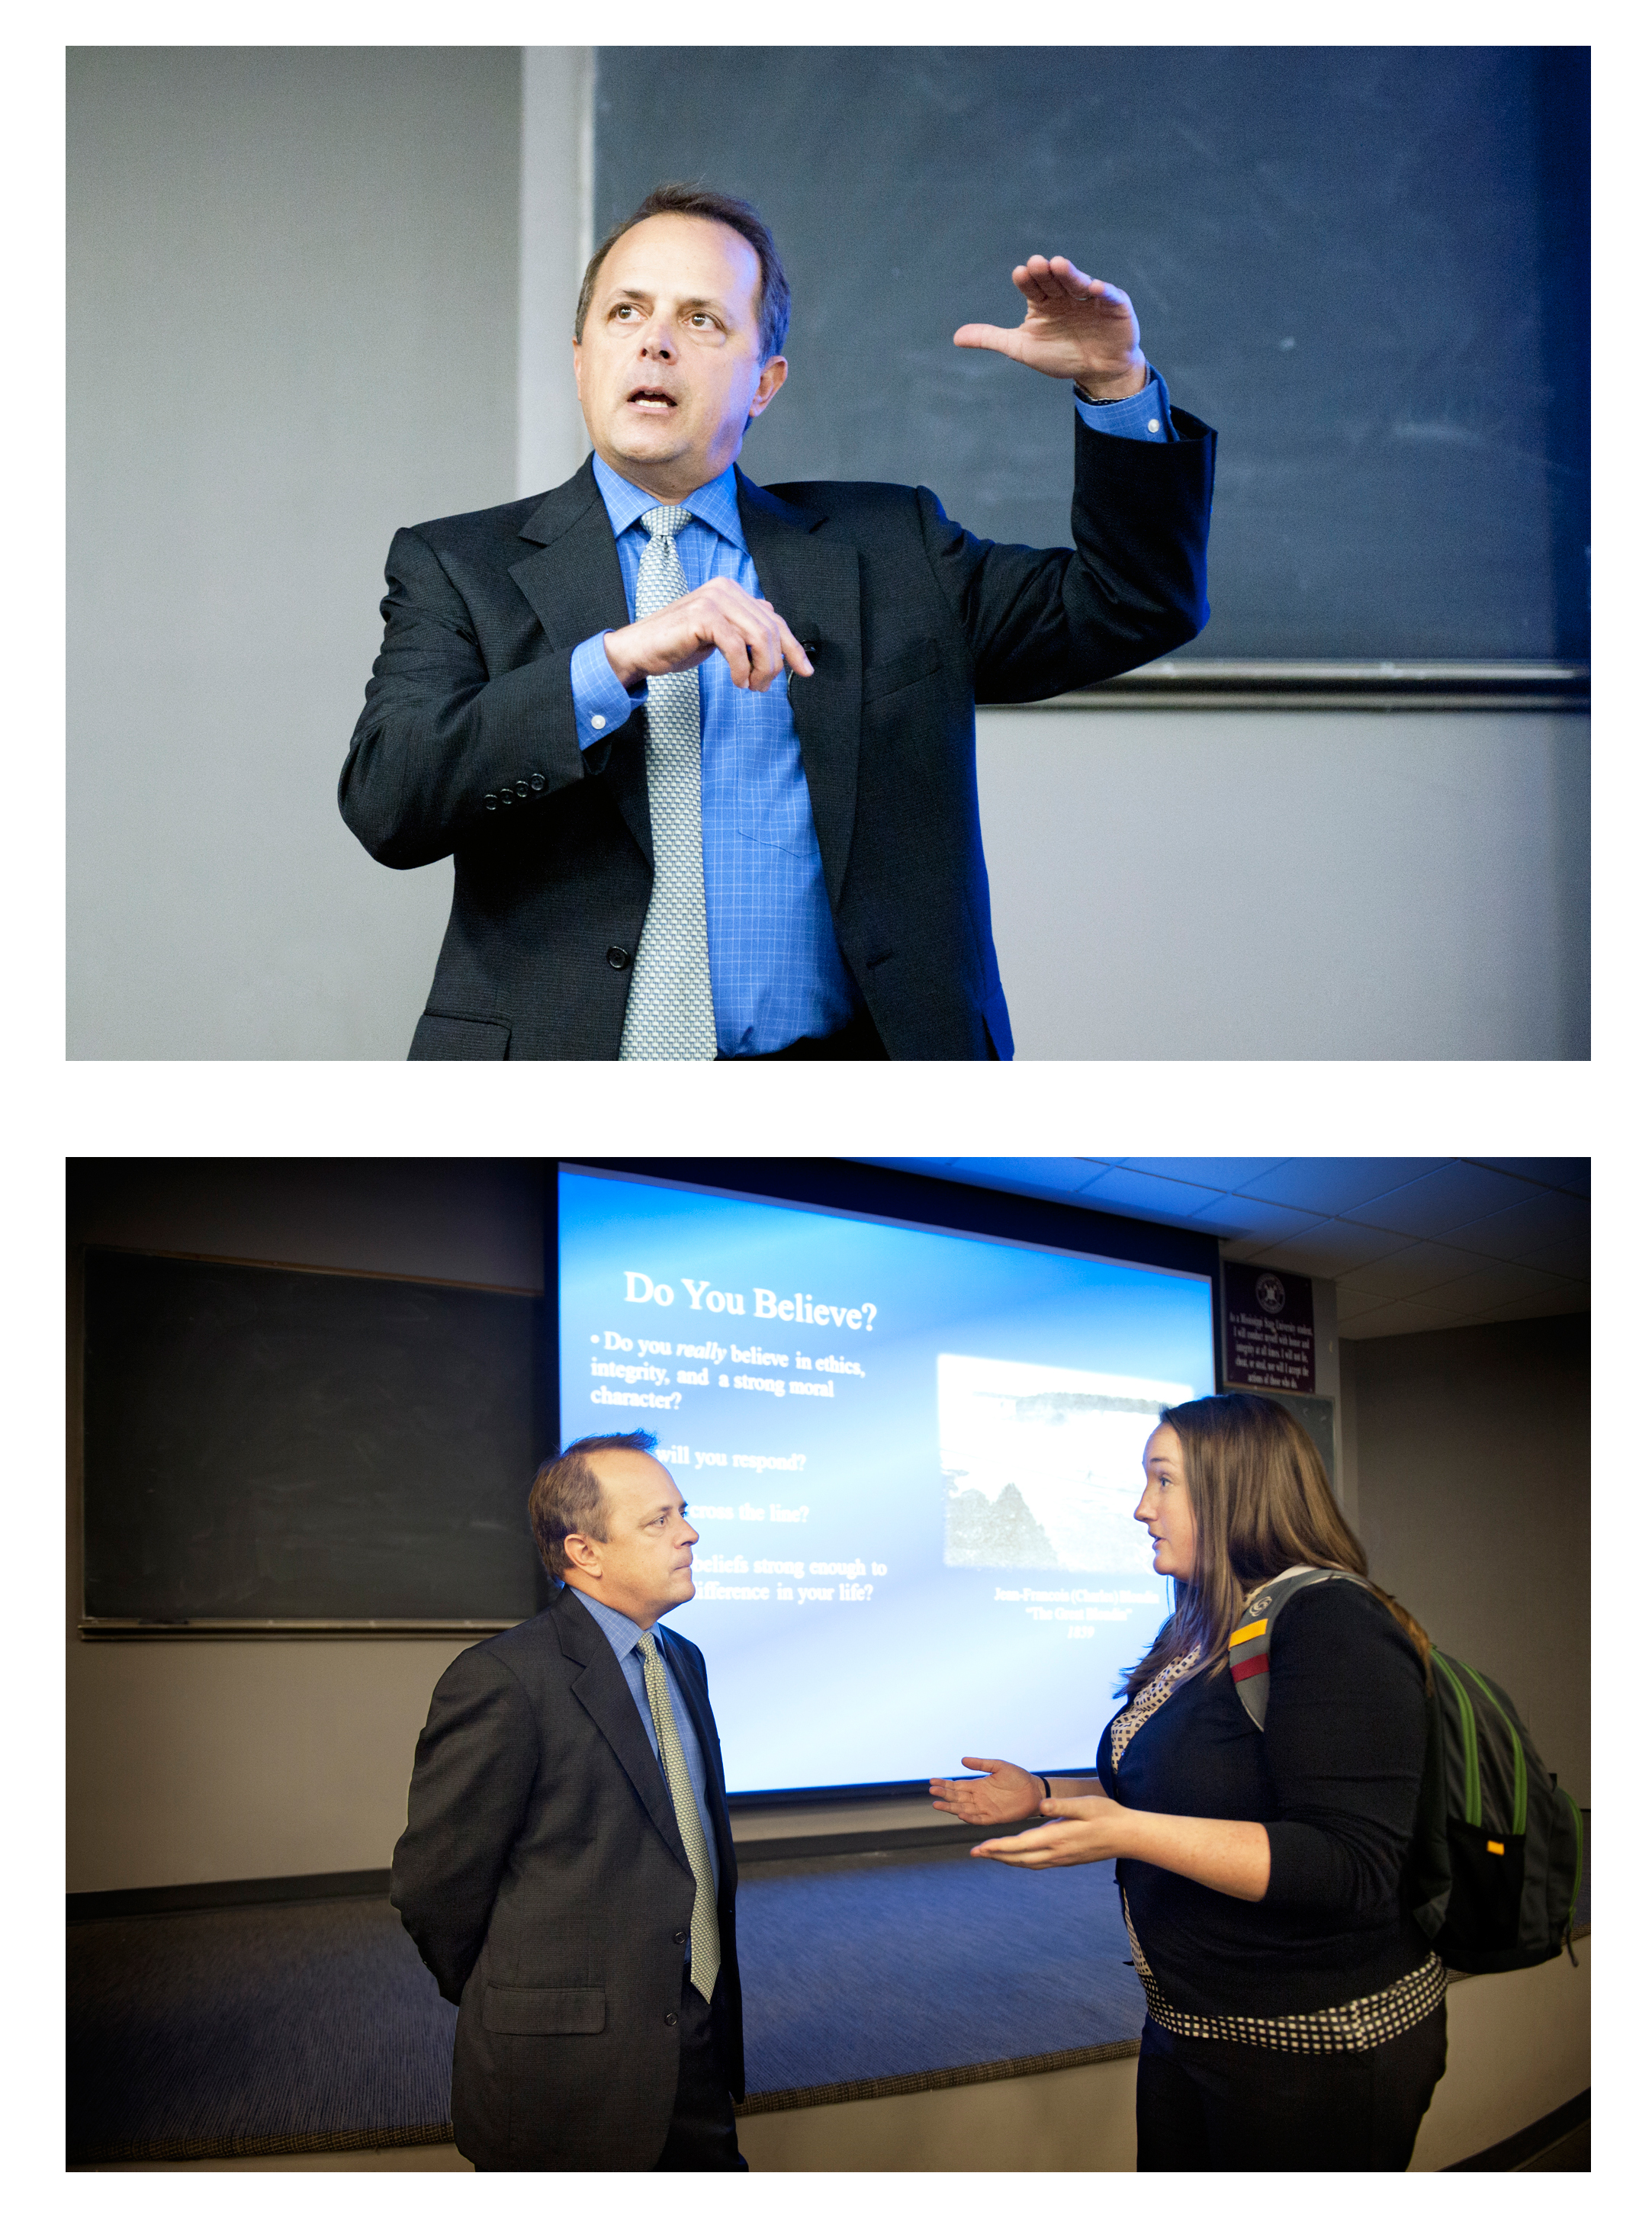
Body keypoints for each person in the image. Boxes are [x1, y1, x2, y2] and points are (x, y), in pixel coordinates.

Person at [339, 182, 1215, 1061]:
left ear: (764, 383)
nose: (655, 341)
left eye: (702, 321)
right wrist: (611, 662)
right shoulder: (460, 566)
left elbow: (1133, 601)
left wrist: (1115, 385)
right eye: (626, 312)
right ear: (581, 360)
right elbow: (390, 801)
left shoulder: (892, 549)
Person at [930, 1392, 1446, 2172]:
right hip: (1194, 2029)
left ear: (1235, 1485)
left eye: (1162, 1480)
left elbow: (1349, 1865)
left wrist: (1128, 1831)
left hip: (1316, 2052)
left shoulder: (1333, 1622)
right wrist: (1043, 1793)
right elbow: (1190, 1793)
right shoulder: (1201, 1628)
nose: (1142, 1508)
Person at [390, 1430, 746, 2171]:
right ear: (585, 1550)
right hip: (563, 2076)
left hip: (695, 2039)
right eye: (659, 1520)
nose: (691, 1532)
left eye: (682, 1511)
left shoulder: (684, 1660)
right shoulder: (502, 1680)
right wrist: (515, 2001)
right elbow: (437, 1888)